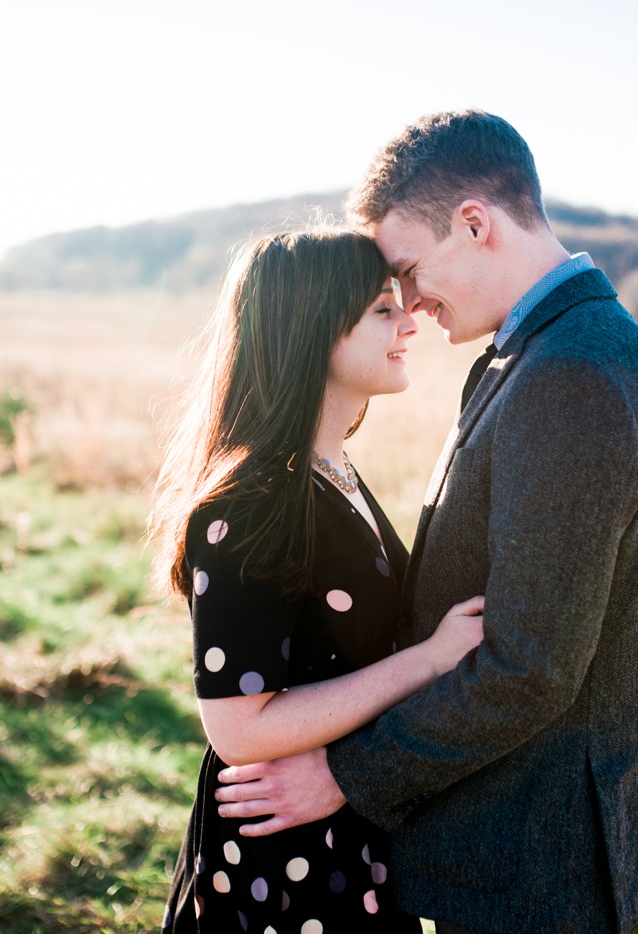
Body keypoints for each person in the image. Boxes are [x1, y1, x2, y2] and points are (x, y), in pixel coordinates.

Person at [212, 111, 638, 933]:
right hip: (511, 842)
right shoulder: (539, 353)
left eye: (408, 270)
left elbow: (529, 667)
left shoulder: (571, 373)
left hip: (532, 854)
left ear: (475, 224)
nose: (410, 303)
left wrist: (348, 775)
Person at [151, 227, 487, 933]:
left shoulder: (332, 473)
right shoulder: (250, 503)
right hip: (282, 859)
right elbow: (238, 728)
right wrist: (427, 663)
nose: (410, 323)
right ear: (313, 332)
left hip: (343, 827)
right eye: (380, 310)